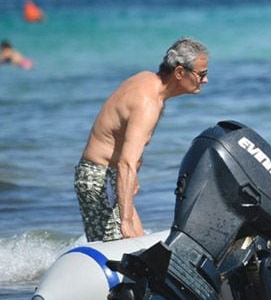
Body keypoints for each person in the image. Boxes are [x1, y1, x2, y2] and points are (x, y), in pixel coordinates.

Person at [75, 37, 209, 242]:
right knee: (120, 250)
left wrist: (132, 177)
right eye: (202, 74)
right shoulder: (148, 103)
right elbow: (125, 163)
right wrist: (125, 220)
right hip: (98, 178)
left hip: (110, 176)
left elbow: (121, 138)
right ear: (180, 72)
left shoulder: (146, 79)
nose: (205, 80)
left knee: (138, 243)